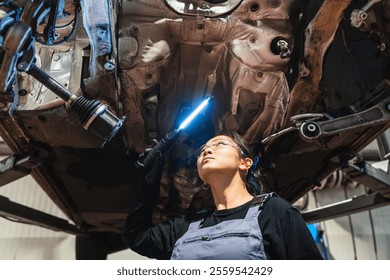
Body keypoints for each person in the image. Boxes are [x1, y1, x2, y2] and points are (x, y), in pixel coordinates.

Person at [123, 133, 324, 259]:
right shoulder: (188, 225)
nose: (207, 149)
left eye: (219, 144)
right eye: (202, 151)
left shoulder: (274, 212)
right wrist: (151, 180)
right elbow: (137, 237)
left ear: (245, 163)